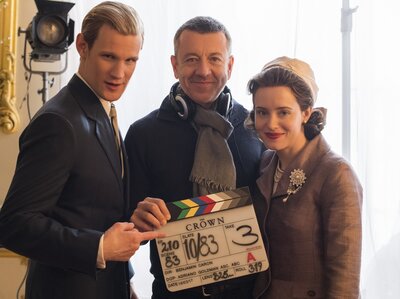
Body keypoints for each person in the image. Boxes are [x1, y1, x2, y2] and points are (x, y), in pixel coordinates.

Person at [0, 2, 164, 299]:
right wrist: (99, 247)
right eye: (108, 57)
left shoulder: (102, 109)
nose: (120, 72)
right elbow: (14, 224)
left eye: (131, 60)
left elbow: (89, 209)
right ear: (82, 46)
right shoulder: (58, 122)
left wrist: (133, 221)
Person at [124, 16, 265, 299]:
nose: (203, 70)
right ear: (175, 65)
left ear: (230, 65)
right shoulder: (143, 134)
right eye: (191, 59)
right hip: (173, 292)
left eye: (214, 59)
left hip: (249, 293)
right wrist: (136, 218)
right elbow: (123, 224)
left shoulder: (257, 128)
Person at [245, 56, 363, 298]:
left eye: (284, 112)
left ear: (306, 112)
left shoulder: (336, 174)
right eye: (262, 112)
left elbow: (345, 280)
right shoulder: (265, 162)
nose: (271, 124)